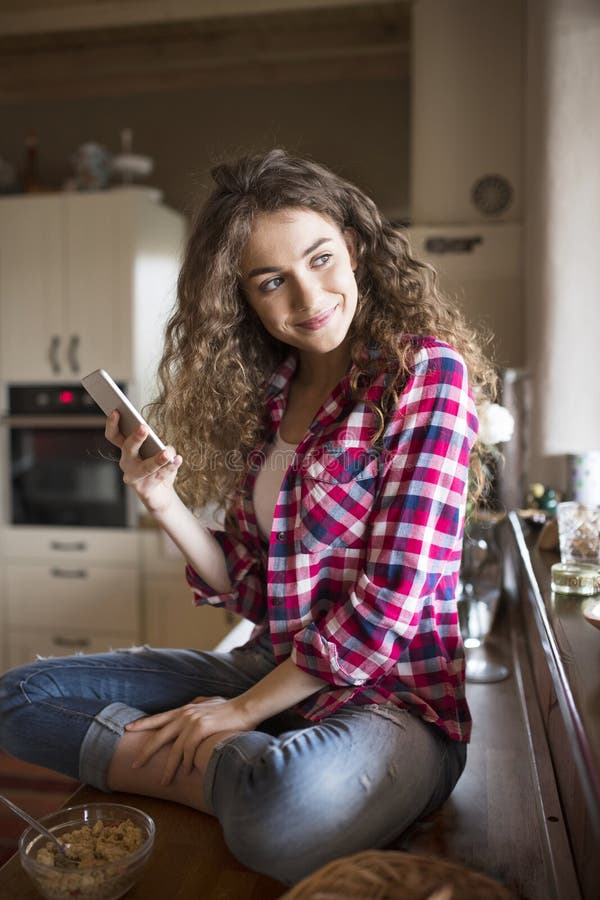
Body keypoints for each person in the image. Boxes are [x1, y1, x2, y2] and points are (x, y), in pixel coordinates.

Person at [0, 149, 496, 885]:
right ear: (245, 298)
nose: (309, 296)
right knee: (16, 699)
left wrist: (235, 713)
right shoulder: (270, 397)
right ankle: (240, 770)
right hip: (274, 669)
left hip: (394, 704)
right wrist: (160, 499)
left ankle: (233, 765)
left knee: (283, 814)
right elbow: (250, 586)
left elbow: (392, 603)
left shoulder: (425, 373)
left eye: (321, 259)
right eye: (273, 282)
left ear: (354, 247)